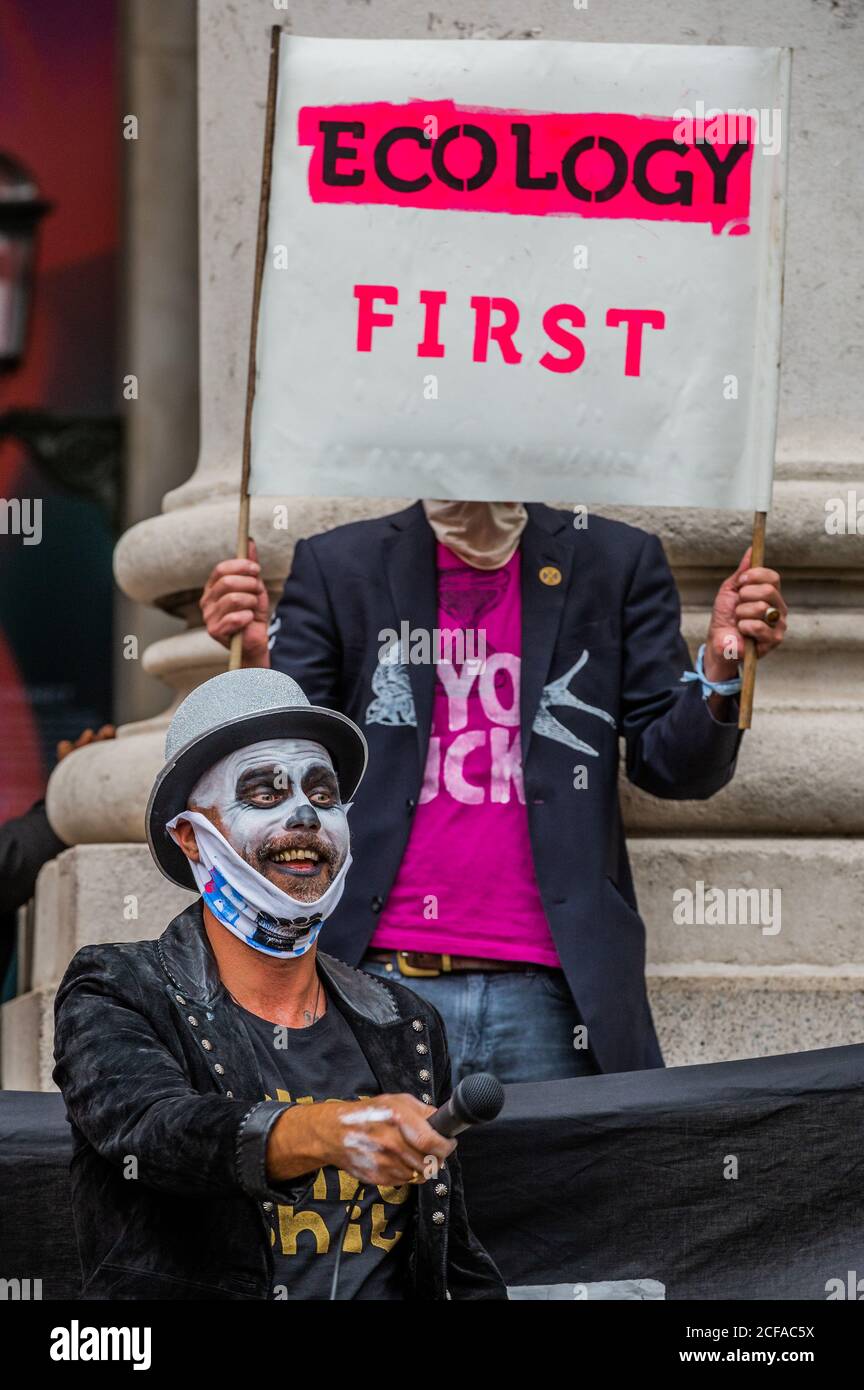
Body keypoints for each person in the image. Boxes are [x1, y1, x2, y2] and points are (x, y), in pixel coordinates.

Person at [201, 500, 787, 1080]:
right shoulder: (339, 563)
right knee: (381, 1180)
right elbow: (290, 774)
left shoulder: (614, 560)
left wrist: (724, 660)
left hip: (554, 991)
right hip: (371, 979)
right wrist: (256, 663)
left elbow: (677, 769)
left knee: (561, 1177)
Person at [53, 669, 505, 1302]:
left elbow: (449, 1259)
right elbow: (155, 1131)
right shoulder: (117, 988)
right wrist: (328, 1131)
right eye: (264, 793)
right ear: (190, 835)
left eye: (323, 794)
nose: (305, 816)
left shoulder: (404, 1019)